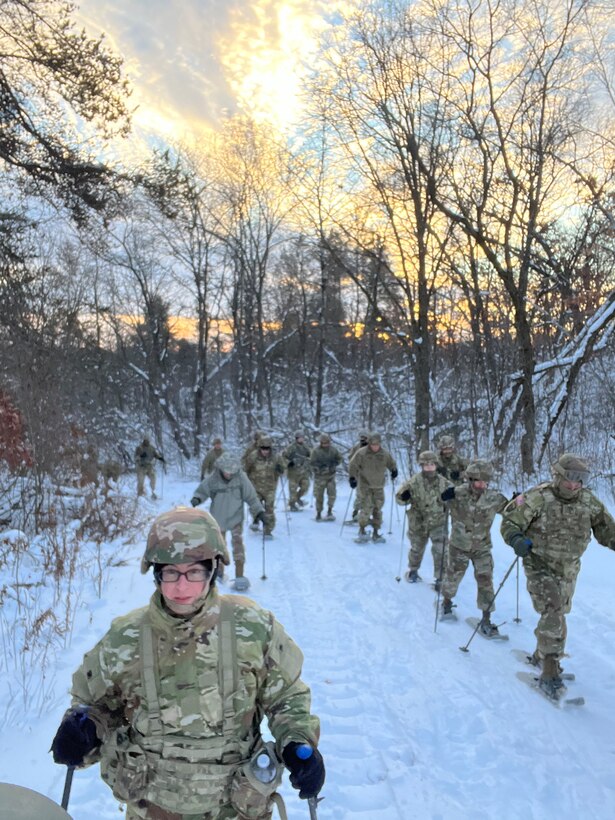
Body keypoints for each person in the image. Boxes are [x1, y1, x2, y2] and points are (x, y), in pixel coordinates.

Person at [50, 507, 325, 820]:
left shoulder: (253, 628)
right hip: (152, 807)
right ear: (156, 573)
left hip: (238, 807)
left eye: (194, 572)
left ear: (213, 569)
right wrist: (84, 728)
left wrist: (297, 743)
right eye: (170, 572)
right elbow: (94, 704)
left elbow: (287, 697)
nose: (181, 587)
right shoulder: (125, 638)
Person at [501, 453, 615, 697]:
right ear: (558, 477)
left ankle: (540, 653)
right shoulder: (538, 497)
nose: (573, 486)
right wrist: (516, 538)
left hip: (569, 568)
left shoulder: (589, 502)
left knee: (559, 612)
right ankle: (550, 669)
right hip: (539, 563)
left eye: (579, 482)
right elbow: (510, 522)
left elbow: (607, 531)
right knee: (553, 610)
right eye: (568, 481)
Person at [440, 460, 509, 635]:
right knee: (453, 576)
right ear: (470, 480)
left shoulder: (493, 497)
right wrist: (443, 496)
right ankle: (446, 602)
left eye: (485, 482)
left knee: (485, 580)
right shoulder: (457, 493)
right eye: (478, 481)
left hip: (482, 547)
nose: (481, 485)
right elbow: (438, 502)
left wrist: (518, 501)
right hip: (459, 546)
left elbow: (511, 509)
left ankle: (486, 618)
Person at [191, 452, 266, 590]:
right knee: (219, 547)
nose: (229, 475)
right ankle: (219, 572)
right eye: (227, 472)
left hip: (235, 517)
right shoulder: (213, 478)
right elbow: (202, 490)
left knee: (238, 544)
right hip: (218, 518)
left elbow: (251, 497)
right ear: (221, 469)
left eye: (232, 472)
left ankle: (239, 575)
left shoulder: (241, 478)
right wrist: (197, 498)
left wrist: (259, 511)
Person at [396, 450, 451, 588]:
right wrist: (404, 497)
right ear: (421, 466)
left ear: (436, 465)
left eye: (432, 464)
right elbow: (399, 498)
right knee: (417, 548)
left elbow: (456, 498)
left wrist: (451, 498)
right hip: (418, 521)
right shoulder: (414, 482)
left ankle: (440, 579)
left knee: (441, 549)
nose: (429, 467)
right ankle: (413, 570)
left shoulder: (444, 483)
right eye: (426, 465)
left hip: (438, 521)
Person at [348, 432, 398, 543]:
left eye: (377, 444)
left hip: (379, 486)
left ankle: (376, 532)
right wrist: (352, 478)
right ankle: (362, 530)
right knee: (366, 508)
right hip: (365, 485)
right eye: (373, 444)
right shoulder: (361, 453)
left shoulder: (384, 454)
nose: (375, 446)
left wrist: (394, 470)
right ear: (369, 443)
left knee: (377, 509)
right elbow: (352, 465)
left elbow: (391, 463)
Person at [244, 436, 285, 538]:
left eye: (267, 448)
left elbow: (283, 468)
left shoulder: (276, 457)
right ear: (259, 447)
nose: (265, 451)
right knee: (255, 507)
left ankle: (268, 530)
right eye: (263, 448)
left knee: (269, 509)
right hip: (255, 487)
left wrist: (280, 469)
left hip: (270, 488)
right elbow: (245, 469)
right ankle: (256, 519)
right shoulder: (253, 457)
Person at [309, 434, 342, 522]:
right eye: (323, 443)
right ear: (321, 443)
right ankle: (319, 513)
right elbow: (311, 463)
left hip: (331, 476)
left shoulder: (333, 450)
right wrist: (319, 468)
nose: (325, 444)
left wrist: (334, 464)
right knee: (319, 496)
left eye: (327, 443)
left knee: (332, 495)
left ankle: (330, 511)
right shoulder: (316, 451)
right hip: (320, 477)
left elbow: (339, 459)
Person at [282, 431, 312, 511]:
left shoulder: (306, 447)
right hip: (293, 472)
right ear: (296, 438)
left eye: (303, 437)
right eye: (300, 437)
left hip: (303, 471)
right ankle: (292, 504)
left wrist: (310, 461)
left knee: (305, 486)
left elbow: (311, 456)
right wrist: (289, 463)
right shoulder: (291, 447)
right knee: (292, 489)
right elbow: (283, 457)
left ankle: (297, 498)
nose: (302, 439)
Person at [347, 430, 369, 523]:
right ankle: (356, 512)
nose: (363, 439)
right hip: (359, 474)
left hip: (371, 475)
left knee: (370, 496)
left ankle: (367, 514)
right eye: (361, 437)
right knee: (360, 494)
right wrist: (352, 477)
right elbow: (351, 460)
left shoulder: (372, 447)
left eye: (365, 437)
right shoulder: (356, 447)